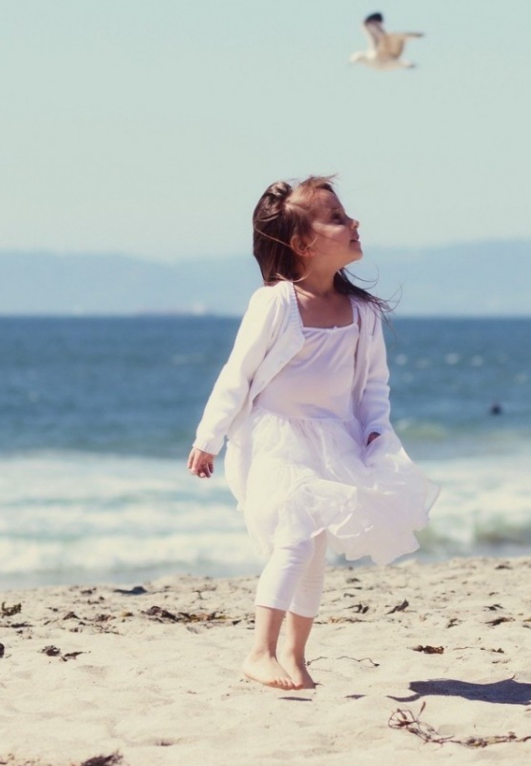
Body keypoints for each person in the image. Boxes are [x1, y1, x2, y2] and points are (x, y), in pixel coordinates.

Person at [187, 175, 437, 690]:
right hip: (277, 440)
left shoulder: (362, 313)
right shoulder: (276, 304)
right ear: (303, 244)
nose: (354, 223)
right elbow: (237, 374)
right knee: (295, 539)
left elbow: (373, 385)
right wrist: (207, 438)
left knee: (316, 553)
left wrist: (374, 432)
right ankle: (259, 651)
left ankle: (296, 656)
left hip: (335, 441)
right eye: (338, 218)